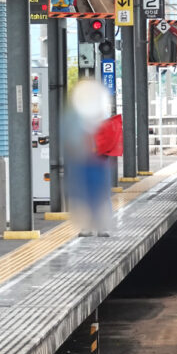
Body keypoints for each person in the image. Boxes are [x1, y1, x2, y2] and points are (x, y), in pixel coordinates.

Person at [63, 79, 121, 237]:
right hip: (89, 160)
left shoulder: (98, 116)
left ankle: (97, 227)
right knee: (88, 194)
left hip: (96, 160)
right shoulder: (79, 118)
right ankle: (90, 227)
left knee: (98, 194)